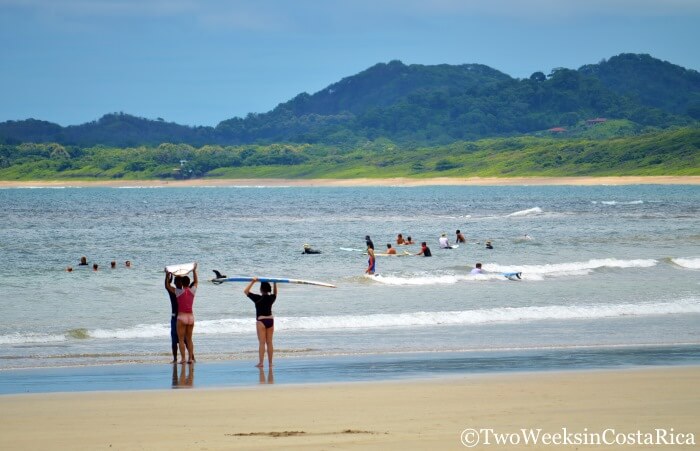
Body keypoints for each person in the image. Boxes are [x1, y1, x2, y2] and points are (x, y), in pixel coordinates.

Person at [166, 263, 198, 364]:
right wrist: (194, 270)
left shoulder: (178, 292)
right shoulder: (193, 291)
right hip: (191, 317)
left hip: (181, 317)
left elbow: (167, 286)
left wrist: (167, 275)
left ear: (181, 283)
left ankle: (183, 359)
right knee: (189, 339)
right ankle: (191, 359)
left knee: (180, 339)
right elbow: (196, 281)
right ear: (189, 283)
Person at [243, 277, 278, 368]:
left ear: (261, 289)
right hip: (270, 320)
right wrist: (275, 283)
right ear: (268, 289)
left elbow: (245, 291)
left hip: (261, 321)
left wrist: (253, 281)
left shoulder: (257, 298)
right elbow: (275, 293)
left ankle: (261, 363)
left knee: (262, 343)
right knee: (269, 342)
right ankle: (270, 363)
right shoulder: (271, 298)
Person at [164, 272, 187, 363]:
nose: (177, 283)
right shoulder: (181, 291)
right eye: (176, 281)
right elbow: (167, 286)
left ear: (181, 282)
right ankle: (176, 359)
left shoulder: (175, 291)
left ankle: (178, 359)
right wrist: (167, 279)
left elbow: (166, 286)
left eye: (178, 281)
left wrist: (167, 278)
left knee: (183, 339)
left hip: (178, 318)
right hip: (178, 318)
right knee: (183, 339)